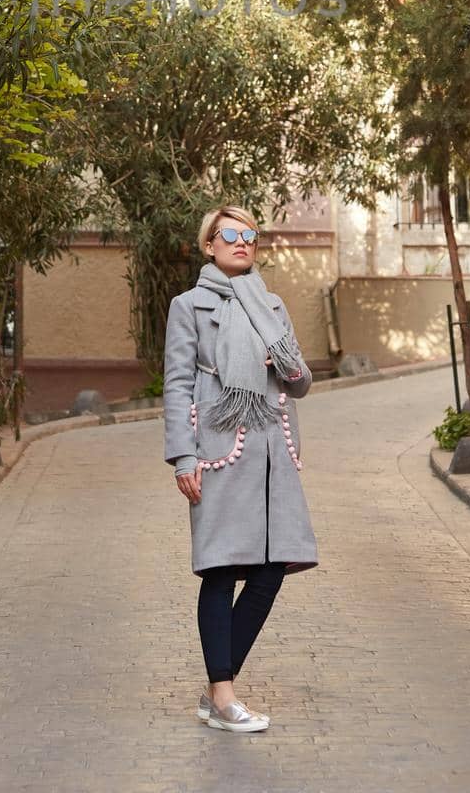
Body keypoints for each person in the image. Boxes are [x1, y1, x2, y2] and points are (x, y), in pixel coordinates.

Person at [163, 204, 318, 732]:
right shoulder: (188, 307)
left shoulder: (271, 304)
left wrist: (282, 361)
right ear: (209, 245)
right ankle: (224, 695)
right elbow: (177, 384)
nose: (242, 241)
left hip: (273, 453)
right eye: (230, 234)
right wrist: (183, 455)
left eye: (250, 234)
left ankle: (215, 688)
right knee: (222, 569)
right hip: (220, 451)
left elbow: (301, 382)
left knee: (271, 571)